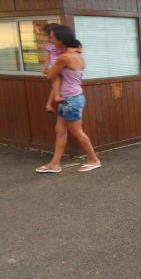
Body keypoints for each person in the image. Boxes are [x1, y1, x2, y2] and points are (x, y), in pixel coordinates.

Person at [36, 25, 101, 173]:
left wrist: (47, 69)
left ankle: (94, 159)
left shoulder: (64, 57)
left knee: (76, 131)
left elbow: (51, 76)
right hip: (71, 97)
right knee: (60, 130)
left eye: (52, 38)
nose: (50, 41)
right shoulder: (76, 54)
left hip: (70, 99)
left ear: (61, 40)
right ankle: (55, 163)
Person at [42, 23, 64, 113]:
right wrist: (45, 67)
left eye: (49, 36)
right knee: (57, 81)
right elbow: (49, 56)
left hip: (57, 65)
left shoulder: (58, 44)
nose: (48, 38)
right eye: (48, 36)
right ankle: (56, 97)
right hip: (55, 65)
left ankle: (49, 104)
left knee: (55, 86)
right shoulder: (52, 45)